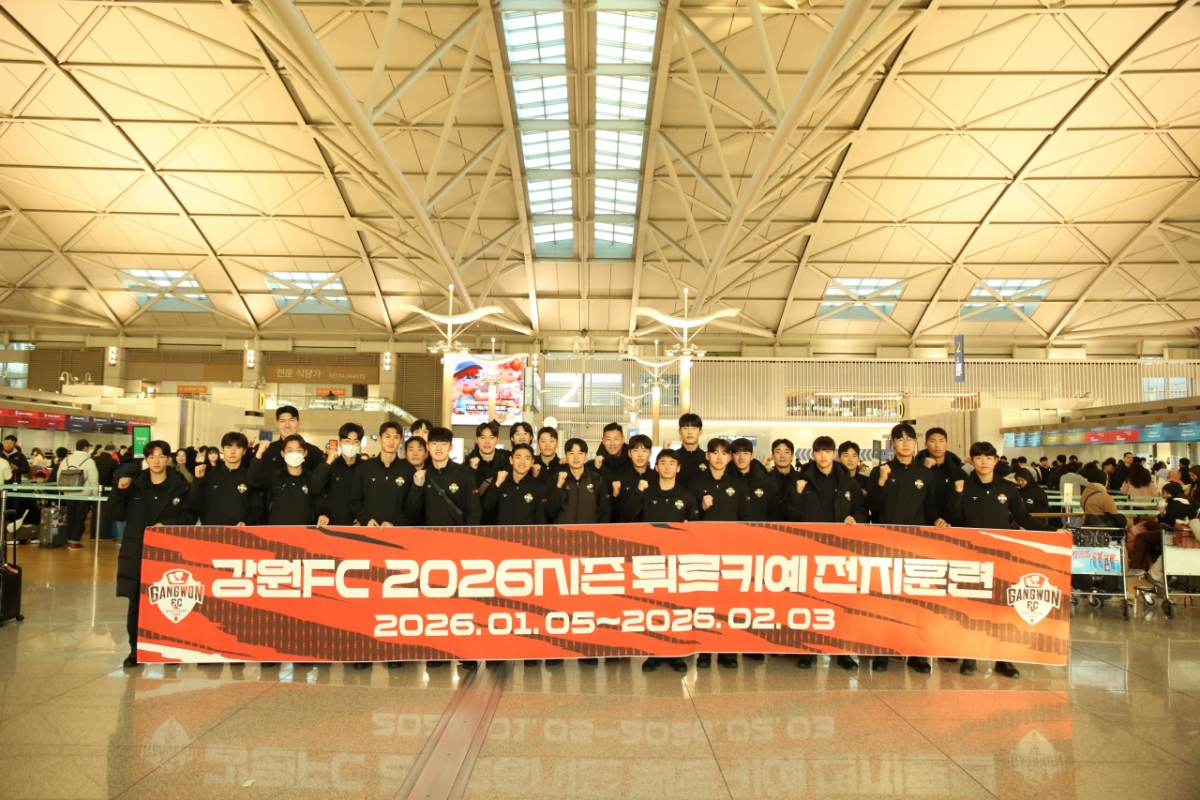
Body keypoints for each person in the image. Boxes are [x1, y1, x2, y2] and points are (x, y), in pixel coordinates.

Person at [947, 441, 1052, 679]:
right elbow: (951, 517)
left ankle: (1003, 659)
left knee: (1002, 609)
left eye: (988, 458)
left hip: (1000, 558)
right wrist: (957, 494)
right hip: (971, 557)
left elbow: (1024, 518)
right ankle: (970, 657)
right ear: (971, 461)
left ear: (996, 461)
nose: (983, 462)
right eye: (978, 458)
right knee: (971, 609)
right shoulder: (963, 486)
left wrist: (1054, 532)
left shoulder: (1008, 488)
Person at [110, 440, 194, 667]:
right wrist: (119, 491)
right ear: (146, 460)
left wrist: (167, 525)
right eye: (151, 456)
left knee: (170, 601)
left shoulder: (180, 486)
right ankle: (135, 650)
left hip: (168, 552)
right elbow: (116, 514)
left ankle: (169, 648)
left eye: (161, 456)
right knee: (137, 602)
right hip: (137, 550)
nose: (156, 461)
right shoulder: (134, 485)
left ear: (169, 458)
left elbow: (189, 516)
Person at [788, 436, 868, 671]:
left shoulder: (849, 482)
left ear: (834, 454)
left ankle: (841, 651)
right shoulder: (801, 480)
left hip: (840, 550)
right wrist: (796, 495)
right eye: (818, 451)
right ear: (812, 454)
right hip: (809, 549)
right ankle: (808, 650)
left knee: (841, 601)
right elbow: (789, 515)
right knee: (809, 601)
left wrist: (855, 518)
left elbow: (862, 510)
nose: (823, 456)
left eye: (827, 451)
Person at [866, 423, 939, 674]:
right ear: (893, 443)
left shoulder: (925, 474)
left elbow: (930, 507)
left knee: (916, 601)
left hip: (917, 546)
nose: (905, 444)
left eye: (910, 439)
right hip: (887, 545)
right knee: (886, 601)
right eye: (900, 439)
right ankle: (883, 651)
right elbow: (872, 506)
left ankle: (917, 654)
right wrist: (881, 482)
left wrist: (938, 520)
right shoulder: (881, 471)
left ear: (916, 443)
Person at [625, 449, 697, 675]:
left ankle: (676, 653)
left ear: (678, 468)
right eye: (662, 462)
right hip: (651, 560)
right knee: (653, 606)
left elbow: (696, 528)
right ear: (656, 467)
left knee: (677, 606)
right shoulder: (646, 492)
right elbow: (628, 517)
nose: (667, 467)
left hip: (678, 561)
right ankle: (653, 652)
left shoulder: (687, 496)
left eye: (671, 463)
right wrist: (637, 492)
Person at [351, 422, 422, 527]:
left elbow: (412, 508)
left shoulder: (408, 470)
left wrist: (395, 524)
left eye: (396, 437)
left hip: (397, 532)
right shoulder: (364, 468)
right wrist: (366, 519)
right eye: (387, 436)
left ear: (401, 440)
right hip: (369, 531)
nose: (391, 441)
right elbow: (354, 500)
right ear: (380, 438)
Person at [247, 435, 330, 525]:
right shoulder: (274, 477)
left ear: (305, 453)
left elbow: (320, 503)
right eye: (290, 450)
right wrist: (259, 453)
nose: (294, 454)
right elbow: (253, 480)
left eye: (299, 450)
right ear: (283, 453)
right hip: (276, 530)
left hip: (304, 531)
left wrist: (323, 515)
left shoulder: (312, 479)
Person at [189, 432, 263, 526]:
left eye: (238, 447)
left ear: (244, 451)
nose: (232, 451)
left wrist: (247, 522)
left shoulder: (250, 478)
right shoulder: (210, 477)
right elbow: (194, 504)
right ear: (222, 449)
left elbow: (258, 509)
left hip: (240, 531)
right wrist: (197, 480)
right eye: (228, 447)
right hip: (212, 531)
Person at [415, 427, 481, 526]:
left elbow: (475, 511)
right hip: (430, 534)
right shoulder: (423, 476)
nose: (439, 448)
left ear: (451, 447)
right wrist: (416, 485)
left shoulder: (465, 474)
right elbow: (413, 512)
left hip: (458, 534)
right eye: (434, 443)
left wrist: (467, 533)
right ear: (427, 446)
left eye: (444, 444)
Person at [549, 438, 610, 525]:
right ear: (566, 456)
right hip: (563, 532)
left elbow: (605, 512)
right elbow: (550, 513)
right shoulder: (555, 479)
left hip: (589, 532)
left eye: (580, 453)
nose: (576, 457)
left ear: (586, 456)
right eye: (571, 453)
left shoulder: (597, 480)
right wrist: (558, 486)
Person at [316, 423, 364, 526]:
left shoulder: (365, 467)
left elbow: (371, 497)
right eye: (347, 441)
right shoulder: (330, 465)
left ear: (360, 443)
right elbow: (315, 488)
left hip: (358, 525)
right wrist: (323, 513)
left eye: (355, 441)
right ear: (340, 441)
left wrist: (363, 518)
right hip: (333, 524)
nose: (351, 445)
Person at [690, 438, 748, 523]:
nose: (719, 458)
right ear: (707, 455)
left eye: (724, 453)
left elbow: (745, 517)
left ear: (729, 457)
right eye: (715, 453)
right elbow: (690, 518)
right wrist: (702, 508)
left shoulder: (739, 484)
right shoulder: (695, 485)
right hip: (704, 532)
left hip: (731, 532)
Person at [918, 428, 964, 525]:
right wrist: (924, 470)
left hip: (952, 525)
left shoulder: (957, 471)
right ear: (926, 444)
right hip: (923, 524)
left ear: (947, 443)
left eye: (941, 441)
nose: (937, 445)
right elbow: (913, 496)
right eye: (932, 441)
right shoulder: (916, 468)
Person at [59, 439, 99, 550]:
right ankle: (74, 541)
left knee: (70, 516)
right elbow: (93, 480)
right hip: (83, 494)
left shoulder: (66, 459)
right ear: (85, 448)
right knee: (80, 518)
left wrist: (63, 490)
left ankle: (69, 540)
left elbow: (59, 476)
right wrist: (96, 495)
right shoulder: (89, 461)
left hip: (68, 493)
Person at [467, 421, 511, 518]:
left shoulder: (507, 464)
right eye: (483, 437)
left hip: (501, 520)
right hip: (475, 521)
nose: (487, 442)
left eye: (491, 438)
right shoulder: (466, 466)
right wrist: (472, 471)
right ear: (476, 440)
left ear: (497, 440)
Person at [259, 406, 323, 472]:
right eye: (282, 421)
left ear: (298, 422)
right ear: (277, 423)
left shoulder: (313, 452)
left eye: (291, 420)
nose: (287, 425)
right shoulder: (266, 451)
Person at [609, 434, 656, 522]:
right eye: (635, 450)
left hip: (652, 529)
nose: (640, 455)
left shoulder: (657, 478)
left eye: (644, 450)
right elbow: (614, 514)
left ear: (650, 453)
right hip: (627, 529)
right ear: (629, 453)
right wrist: (614, 496)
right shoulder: (620, 479)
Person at [731, 438, 778, 521]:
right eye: (737, 453)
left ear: (752, 456)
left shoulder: (765, 481)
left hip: (759, 528)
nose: (741, 457)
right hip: (731, 528)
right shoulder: (724, 480)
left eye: (745, 453)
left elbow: (774, 512)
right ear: (731, 456)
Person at [673, 413, 708, 486]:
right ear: (679, 431)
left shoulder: (707, 458)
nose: (689, 432)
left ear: (700, 432)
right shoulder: (673, 457)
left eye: (694, 428)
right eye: (685, 428)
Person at [767, 439, 798, 519]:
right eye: (778, 452)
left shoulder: (801, 479)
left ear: (792, 456)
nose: (782, 456)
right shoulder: (765, 479)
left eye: (786, 452)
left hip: (796, 524)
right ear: (773, 456)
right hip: (771, 524)